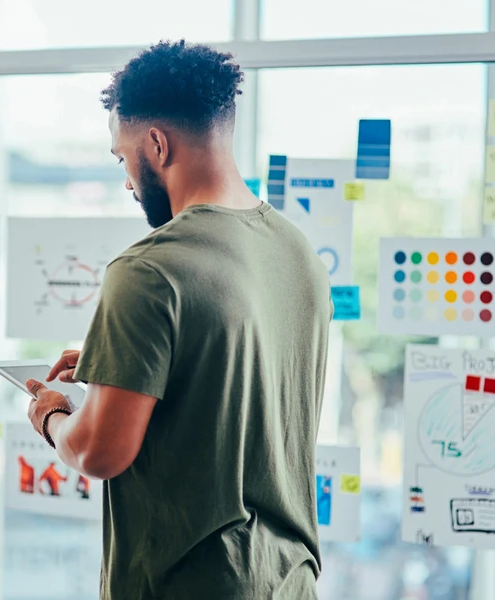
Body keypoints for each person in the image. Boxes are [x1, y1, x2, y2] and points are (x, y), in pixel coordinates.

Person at [26, 39, 332, 600]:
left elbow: (99, 451)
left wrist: (52, 416)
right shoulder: (298, 255)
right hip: (290, 583)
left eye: (123, 158)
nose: (126, 180)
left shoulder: (148, 269)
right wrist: (114, 373)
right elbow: (228, 395)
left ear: (157, 144)